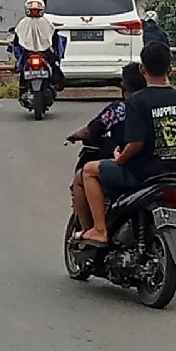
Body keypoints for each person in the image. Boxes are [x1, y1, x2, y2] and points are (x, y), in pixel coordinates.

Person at [76, 42, 176, 247]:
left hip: (142, 175)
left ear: (142, 68)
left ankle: (99, 230)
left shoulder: (137, 101)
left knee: (88, 171)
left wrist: (120, 159)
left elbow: (136, 143)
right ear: (170, 68)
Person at [67, 63, 147, 232]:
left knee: (84, 175)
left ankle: (92, 232)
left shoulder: (120, 108)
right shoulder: (153, 105)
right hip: (156, 168)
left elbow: (91, 131)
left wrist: (75, 135)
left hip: (130, 166)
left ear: (124, 87)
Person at [11, 0, 66, 91]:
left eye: (36, 10)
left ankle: (23, 88)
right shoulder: (43, 22)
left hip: (36, 52)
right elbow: (54, 39)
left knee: (53, 66)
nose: (35, 12)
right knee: (54, 65)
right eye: (33, 10)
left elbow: (16, 41)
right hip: (38, 52)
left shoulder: (24, 23)